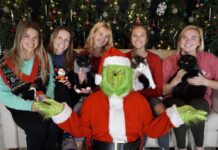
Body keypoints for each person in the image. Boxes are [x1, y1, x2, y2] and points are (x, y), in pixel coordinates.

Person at [34, 47, 207, 150]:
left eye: (120, 73)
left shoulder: (138, 101)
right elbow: (81, 130)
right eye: (112, 73)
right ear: (104, 76)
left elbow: (152, 130)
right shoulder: (94, 101)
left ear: (127, 76)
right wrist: (62, 114)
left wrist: (175, 116)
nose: (116, 77)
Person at [0, 20, 60, 150]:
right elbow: (3, 95)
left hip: (43, 102)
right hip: (21, 107)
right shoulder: (5, 64)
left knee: (56, 126)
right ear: (19, 37)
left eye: (35, 37)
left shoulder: (45, 57)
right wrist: (30, 106)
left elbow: (51, 83)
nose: (31, 41)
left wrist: (48, 99)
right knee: (38, 128)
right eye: (27, 36)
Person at [162, 25, 218, 150]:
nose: (188, 41)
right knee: (179, 109)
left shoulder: (209, 59)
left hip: (200, 98)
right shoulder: (169, 61)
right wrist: (174, 82)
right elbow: (160, 91)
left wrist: (205, 81)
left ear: (199, 42)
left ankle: (199, 147)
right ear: (180, 41)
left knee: (197, 108)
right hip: (174, 98)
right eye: (184, 37)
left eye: (193, 38)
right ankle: (180, 147)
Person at [126, 25, 169, 150]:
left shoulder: (154, 59)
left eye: (142, 35)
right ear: (130, 38)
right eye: (135, 35)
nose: (138, 38)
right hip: (130, 97)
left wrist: (142, 95)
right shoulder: (124, 57)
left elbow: (159, 88)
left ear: (146, 39)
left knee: (161, 111)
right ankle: (140, 146)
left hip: (151, 95)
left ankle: (164, 147)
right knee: (139, 113)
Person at [47, 26, 78, 149]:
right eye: (60, 38)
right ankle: (66, 134)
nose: (62, 42)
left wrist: (72, 83)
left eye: (66, 40)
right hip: (49, 95)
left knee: (62, 88)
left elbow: (76, 83)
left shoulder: (73, 56)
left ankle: (66, 134)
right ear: (53, 38)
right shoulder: (44, 55)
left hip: (68, 95)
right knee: (59, 87)